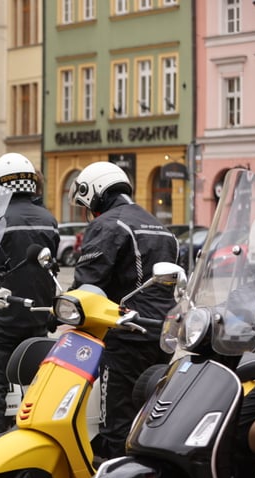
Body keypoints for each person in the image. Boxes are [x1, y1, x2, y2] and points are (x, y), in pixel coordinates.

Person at [69, 161, 178, 460]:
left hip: (125, 332)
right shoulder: (162, 228)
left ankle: (116, 476)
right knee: (148, 411)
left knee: (116, 418)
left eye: (88, 204)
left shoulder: (108, 224)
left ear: (96, 192)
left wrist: (61, 309)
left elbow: (88, 283)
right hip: (161, 333)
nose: (89, 212)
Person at [0, 154, 59, 430]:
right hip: (37, 313)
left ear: (0, 185)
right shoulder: (49, 219)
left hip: (2, 314)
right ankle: (35, 435)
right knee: (35, 384)